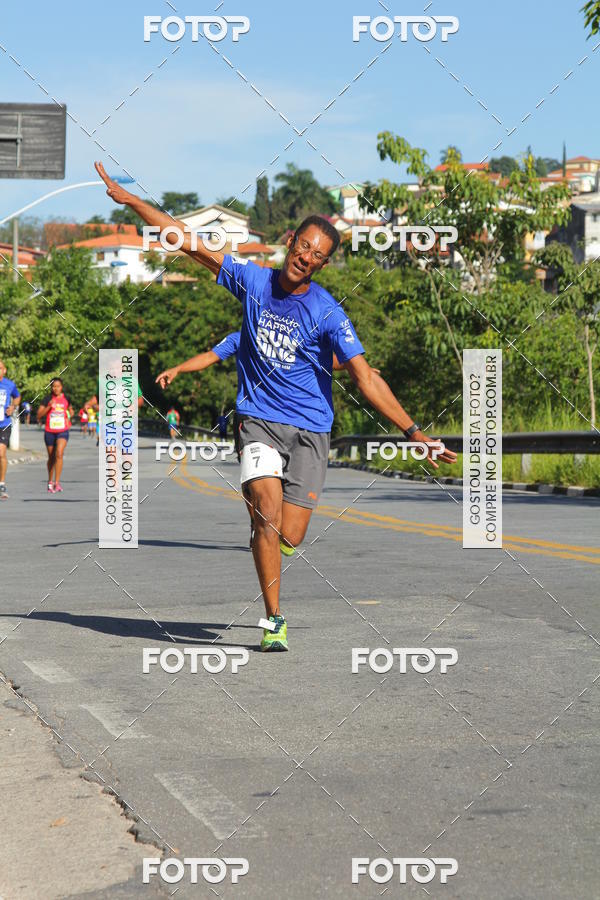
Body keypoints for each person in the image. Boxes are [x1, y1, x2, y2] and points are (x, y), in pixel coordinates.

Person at [95, 161, 457, 653]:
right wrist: (134, 203)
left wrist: (414, 431)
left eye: (318, 255)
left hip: (311, 430)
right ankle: (274, 619)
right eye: (303, 246)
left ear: (324, 265)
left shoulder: (328, 312)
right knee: (264, 514)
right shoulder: (253, 281)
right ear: (291, 242)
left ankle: (269, 546)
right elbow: (189, 241)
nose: (306, 257)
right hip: (258, 421)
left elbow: (366, 377)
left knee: (290, 534)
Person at [37, 377, 74, 493]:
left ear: (61, 387)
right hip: (49, 431)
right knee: (51, 457)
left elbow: (71, 410)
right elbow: (39, 415)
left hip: (62, 430)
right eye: (53, 386)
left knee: (59, 454)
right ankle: (50, 481)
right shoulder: (47, 399)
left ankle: (57, 482)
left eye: (58, 386)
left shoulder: (66, 398)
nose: (56, 388)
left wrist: (69, 416)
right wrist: (49, 406)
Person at [0, 359, 21, 501]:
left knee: (1, 453)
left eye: (0, 368)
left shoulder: (9, 384)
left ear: (4, 370)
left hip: (4, 424)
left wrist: (13, 406)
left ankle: (1, 484)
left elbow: (17, 397)